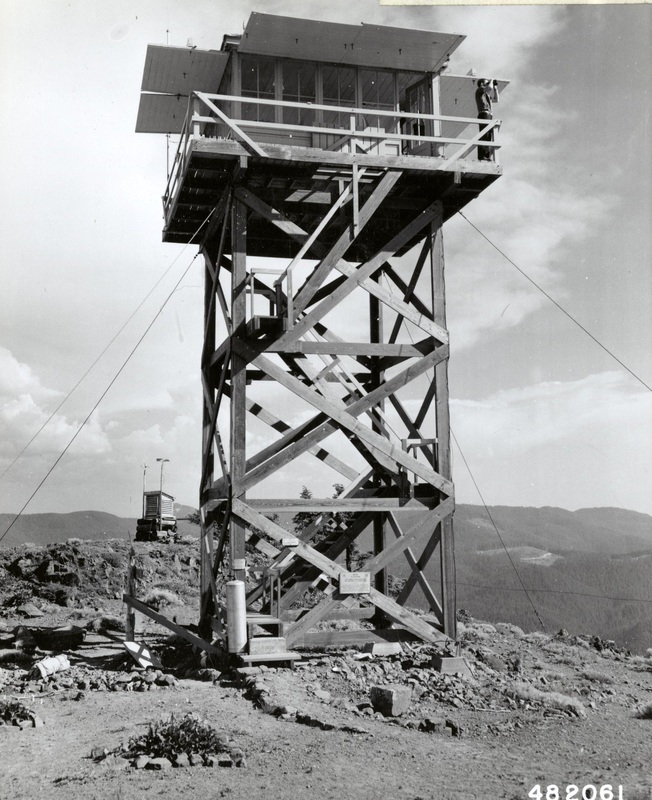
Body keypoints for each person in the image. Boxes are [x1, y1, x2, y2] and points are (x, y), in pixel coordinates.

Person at [475, 79, 499, 161]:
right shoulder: (479, 91)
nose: (488, 84)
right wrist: (491, 80)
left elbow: (496, 100)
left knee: (488, 135)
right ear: (482, 84)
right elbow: (489, 87)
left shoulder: (486, 95)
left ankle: (486, 156)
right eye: (486, 82)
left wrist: (495, 88)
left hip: (488, 115)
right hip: (484, 113)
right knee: (484, 134)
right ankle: (483, 156)